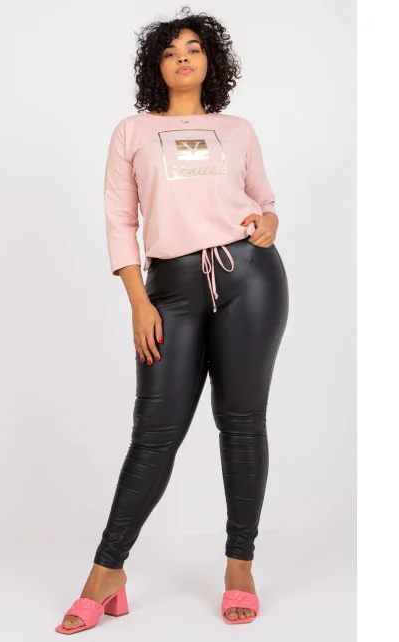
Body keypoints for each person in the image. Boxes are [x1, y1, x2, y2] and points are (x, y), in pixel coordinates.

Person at [56, 6, 289, 634]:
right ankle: (107, 572)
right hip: (170, 290)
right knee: (155, 434)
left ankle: (239, 566)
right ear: (155, 66)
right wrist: (139, 300)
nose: (183, 57)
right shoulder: (132, 132)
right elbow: (119, 219)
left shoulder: (237, 130)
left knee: (242, 422)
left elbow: (264, 200)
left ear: (211, 61)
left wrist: (268, 222)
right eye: (170, 51)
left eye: (193, 48)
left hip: (250, 277)